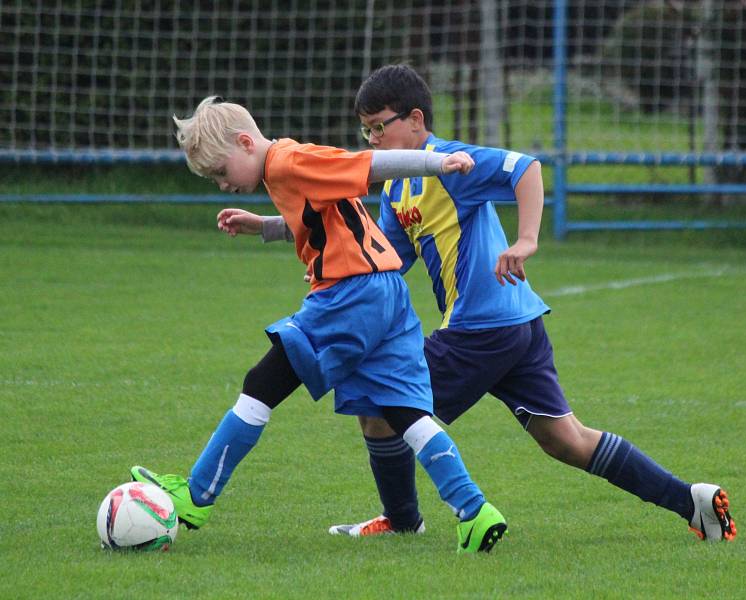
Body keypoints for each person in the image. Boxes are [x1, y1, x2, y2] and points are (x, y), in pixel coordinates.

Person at [322, 64, 735, 543]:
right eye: (366, 130)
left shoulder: (449, 161)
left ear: (415, 119)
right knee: (567, 440)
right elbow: (384, 259)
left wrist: (526, 239)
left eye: (380, 126)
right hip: (516, 325)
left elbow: (526, 168)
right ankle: (693, 501)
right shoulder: (398, 187)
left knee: (377, 402)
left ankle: (402, 522)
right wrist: (282, 230)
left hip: (481, 328)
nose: (372, 139)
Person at [130, 95, 509, 554]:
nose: (223, 184)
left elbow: (367, 165)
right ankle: (474, 510)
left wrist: (438, 162)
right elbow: (321, 217)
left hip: (350, 296)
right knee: (405, 411)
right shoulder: (282, 168)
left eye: (221, 173)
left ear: (246, 143)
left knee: (261, 382)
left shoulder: (290, 161)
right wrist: (264, 227)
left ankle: (196, 496)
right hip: (386, 292)